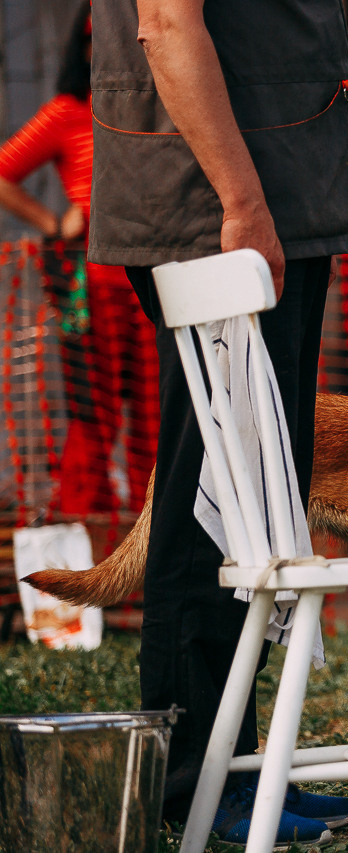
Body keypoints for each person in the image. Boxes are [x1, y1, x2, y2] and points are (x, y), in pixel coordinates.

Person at [89, 0, 348, 845]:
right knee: (209, 513)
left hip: (271, 198)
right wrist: (243, 202)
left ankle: (236, 766)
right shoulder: (237, 207)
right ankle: (195, 782)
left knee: (245, 507)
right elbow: (167, 25)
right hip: (223, 209)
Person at [0, 4, 158, 519]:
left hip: (160, 285)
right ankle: (89, 537)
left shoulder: (157, 105)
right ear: (84, 48)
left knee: (159, 416)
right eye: (97, 39)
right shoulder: (67, 112)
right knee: (93, 417)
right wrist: (51, 223)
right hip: (89, 291)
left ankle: (153, 540)